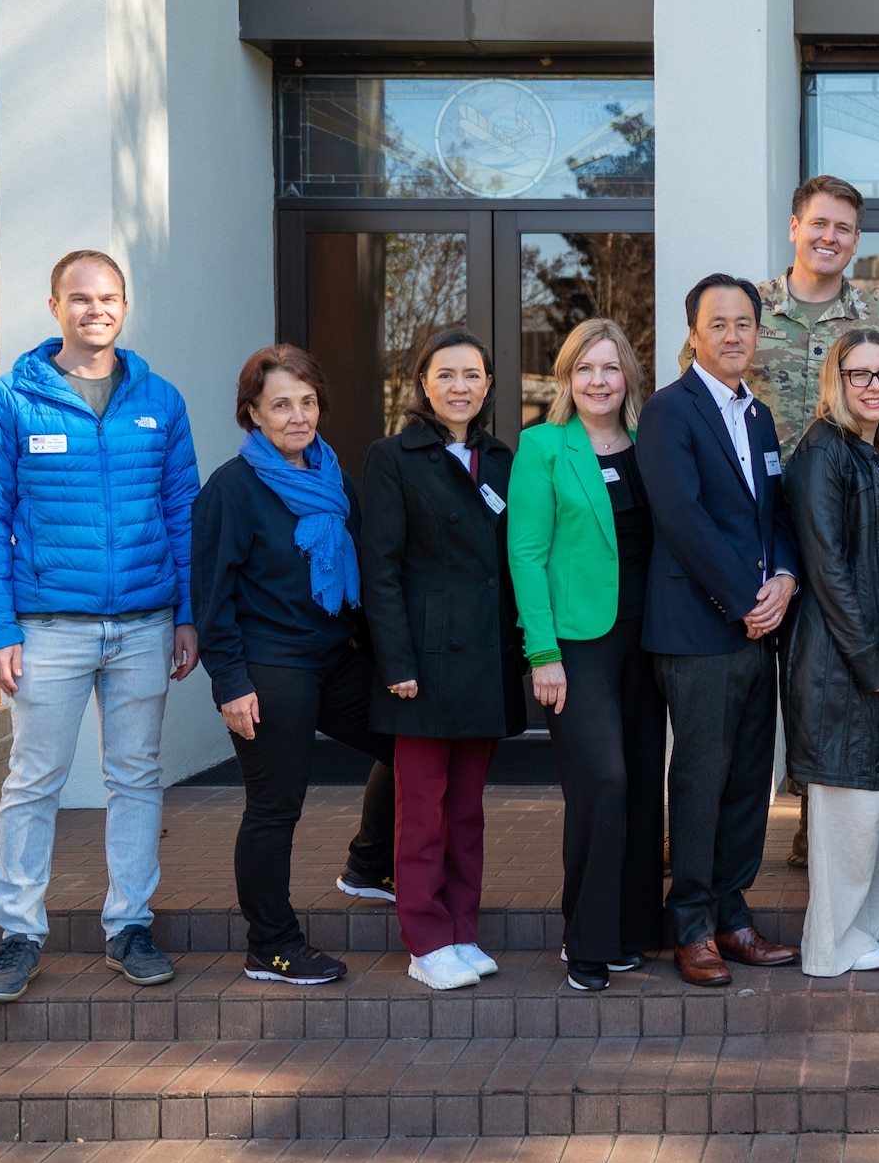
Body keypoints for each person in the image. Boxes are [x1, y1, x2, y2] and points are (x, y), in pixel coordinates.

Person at [0, 250, 200, 1004]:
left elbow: (185, 514)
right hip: (48, 627)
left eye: (108, 298)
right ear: (55, 305)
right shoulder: (11, 401)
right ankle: (19, 934)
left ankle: (129, 923)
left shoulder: (159, 399)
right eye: (80, 298)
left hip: (143, 622)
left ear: (124, 306)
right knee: (35, 779)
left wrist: (189, 615)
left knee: (135, 776)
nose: (95, 309)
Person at [725, 174, 879, 870]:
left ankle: (819, 816)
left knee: (829, 676)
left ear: (857, 240)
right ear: (794, 227)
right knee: (739, 688)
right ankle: (714, 831)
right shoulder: (745, 312)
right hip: (750, 525)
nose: (830, 237)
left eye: (843, 228)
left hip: (841, 523)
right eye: (819, 224)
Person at [191, 345, 396, 986]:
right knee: (276, 807)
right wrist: (230, 683)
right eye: (281, 404)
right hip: (269, 665)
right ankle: (272, 946)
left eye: (307, 402)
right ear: (253, 412)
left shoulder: (333, 476)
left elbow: (359, 567)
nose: (298, 416)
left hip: (334, 658)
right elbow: (212, 597)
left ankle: (368, 864)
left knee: (410, 740)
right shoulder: (233, 488)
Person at [639, 274, 801, 987]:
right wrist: (745, 598)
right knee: (701, 782)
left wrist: (786, 579)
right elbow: (682, 518)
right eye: (719, 324)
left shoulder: (759, 416)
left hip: (754, 628)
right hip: (699, 629)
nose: (733, 335)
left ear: (757, 334)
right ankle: (693, 927)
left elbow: (776, 515)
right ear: (694, 333)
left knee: (746, 782)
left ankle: (733, 917)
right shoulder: (668, 412)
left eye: (744, 324)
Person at [361, 328, 526, 992]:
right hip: (423, 661)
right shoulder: (392, 458)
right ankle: (425, 939)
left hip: (484, 656)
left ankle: (463, 929)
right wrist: (396, 660)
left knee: (467, 811)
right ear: (422, 384)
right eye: (446, 374)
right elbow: (381, 568)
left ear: (488, 385)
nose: (461, 386)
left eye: (473, 375)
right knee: (421, 811)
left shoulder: (503, 457)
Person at [508, 319, 665, 992]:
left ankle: (631, 929)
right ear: (567, 378)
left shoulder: (649, 446)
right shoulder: (543, 446)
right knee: (602, 781)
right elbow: (526, 552)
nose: (598, 381)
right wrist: (542, 651)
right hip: (577, 644)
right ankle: (587, 939)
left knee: (641, 788)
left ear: (627, 374)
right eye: (584, 369)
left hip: (648, 639)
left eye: (610, 367)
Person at [783, 330, 879, 976]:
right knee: (850, 809)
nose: (874, 386)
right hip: (846, 653)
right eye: (860, 374)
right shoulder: (822, 452)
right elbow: (827, 567)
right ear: (835, 381)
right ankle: (832, 943)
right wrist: (868, 661)